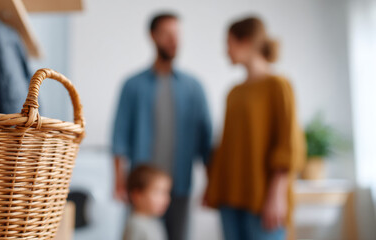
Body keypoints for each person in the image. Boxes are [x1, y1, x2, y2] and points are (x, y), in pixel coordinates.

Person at [203, 16, 305, 240]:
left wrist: (277, 195)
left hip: (262, 199)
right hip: (229, 198)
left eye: (228, 43)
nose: (226, 51)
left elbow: (288, 144)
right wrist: (212, 187)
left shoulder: (278, 86)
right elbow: (227, 146)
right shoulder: (234, 92)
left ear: (245, 41)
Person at [112, 12, 212, 240]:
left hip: (180, 186)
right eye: (167, 34)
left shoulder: (194, 88)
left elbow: (206, 142)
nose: (173, 40)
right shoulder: (133, 85)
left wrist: (210, 184)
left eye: (177, 35)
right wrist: (118, 180)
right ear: (153, 36)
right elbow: (120, 135)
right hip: (142, 187)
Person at [123, 165, 172, 240]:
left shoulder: (155, 222)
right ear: (137, 195)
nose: (166, 199)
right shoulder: (135, 226)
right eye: (158, 192)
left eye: (167, 192)